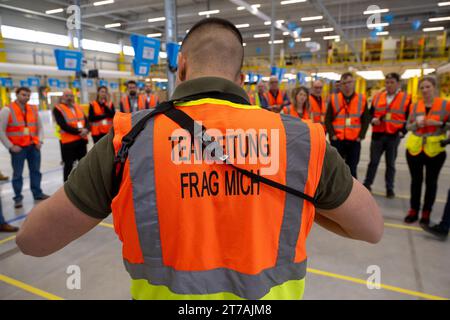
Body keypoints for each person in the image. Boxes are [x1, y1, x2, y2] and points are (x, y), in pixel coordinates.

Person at [16, 18, 383, 300]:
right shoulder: (301, 139)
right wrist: (306, 201)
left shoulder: (130, 137)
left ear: (181, 66)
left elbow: (32, 241)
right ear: (241, 77)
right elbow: (370, 229)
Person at [404, 77, 449, 225]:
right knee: (415, 182)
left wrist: (439, 123)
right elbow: (408, 127)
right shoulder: (415, 106)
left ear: (435, 88)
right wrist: (416, 125)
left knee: (431, 182)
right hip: (415, 150)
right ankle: (413, 210)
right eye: (422, 88)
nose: (424, 90)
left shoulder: (445, 105)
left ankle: (426, 212)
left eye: (427, 87)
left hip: (435, 151)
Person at [363, 73, 411, 198]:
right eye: (387, 82)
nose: (389, 85)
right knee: (373, 162)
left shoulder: (406, 98)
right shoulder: (377, 97)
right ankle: (367, 184)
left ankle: (389, 188)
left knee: (391, 164)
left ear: (398, 84)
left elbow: (409, 117)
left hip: (393, 136)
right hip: (377, 135)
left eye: (392, 82)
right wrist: (373, 121)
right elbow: (370, 114)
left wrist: (403, 132)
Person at [0, 87, 49, 208]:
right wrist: (10, 146)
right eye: (23, 95)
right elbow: (1, 130)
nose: (26, 97)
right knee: (17, 174)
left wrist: (40, 142)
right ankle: (18, 198)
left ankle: (37, 193)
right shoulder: (7, 110)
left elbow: (40, 128)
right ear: (16, 95)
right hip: (18, 149)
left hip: (33, 147)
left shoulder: (33, 109)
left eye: (28, 95)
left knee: (36, 172)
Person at [325, 73, 371, 178]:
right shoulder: (334, 99)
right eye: (344, 83)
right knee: (337, 168)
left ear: (354, 83)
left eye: (349, 82)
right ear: (340, 85)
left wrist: (361, 136)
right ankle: (337, 192)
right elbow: (328, 119)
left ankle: (353, 193)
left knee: (352, 168)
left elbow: (366, 119)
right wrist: (332, 135)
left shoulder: (361, 99)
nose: (347, 85)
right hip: (338, 140)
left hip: (354, 140)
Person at [53, 89, 90, 182]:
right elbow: (63, 125)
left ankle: (83, 182)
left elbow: (86, 120)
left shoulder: (78, 107)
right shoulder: (58, 109)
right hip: (69, 142)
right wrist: (80, 132)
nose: (69, 98)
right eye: (67, 96)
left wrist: (87, 129)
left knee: (83, 164)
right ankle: (67, 185)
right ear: (62, 97)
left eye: (71, 96)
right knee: (68, 165)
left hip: (81, 141)